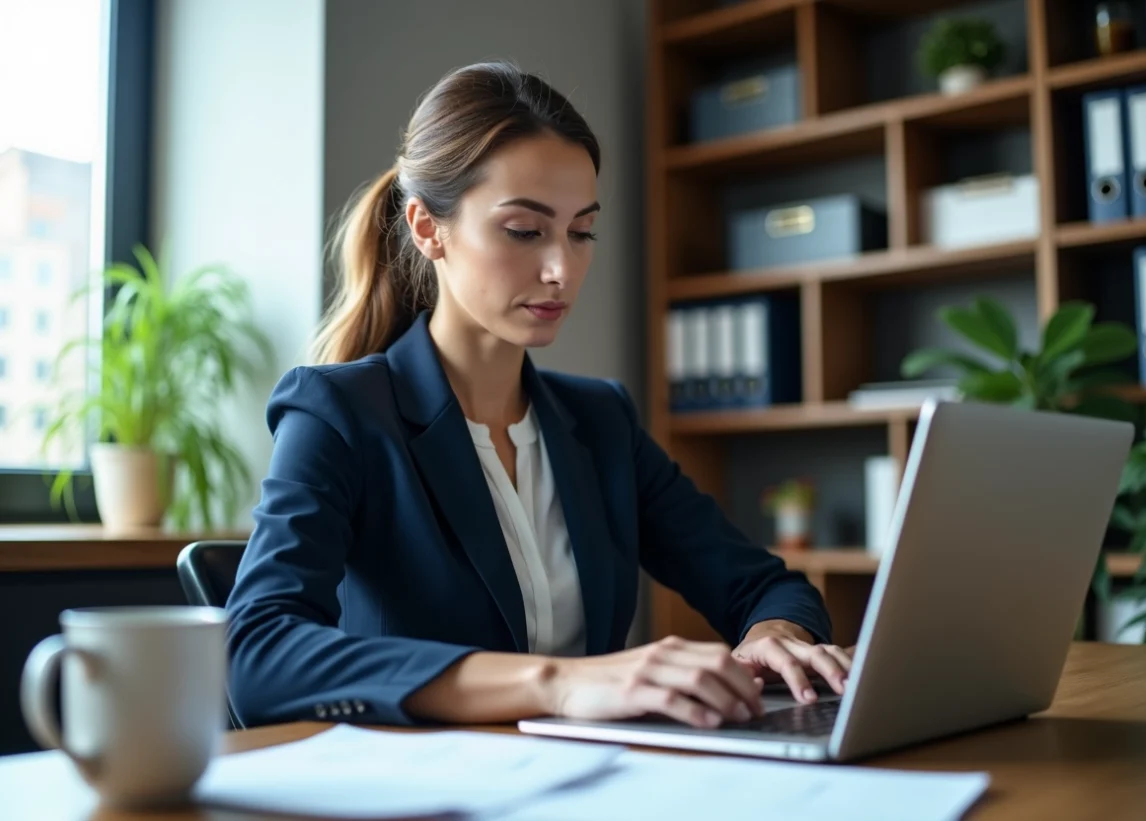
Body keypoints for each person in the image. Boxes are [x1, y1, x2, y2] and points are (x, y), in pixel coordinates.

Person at [224, 61, 853, 732]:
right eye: (525, 231)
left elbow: (763, 584)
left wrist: (773, 634)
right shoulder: (339, 411)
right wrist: (558, 682)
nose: (561, 269)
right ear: (427, 228)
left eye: (581, 232)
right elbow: (258, 654)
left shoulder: (599, 420)